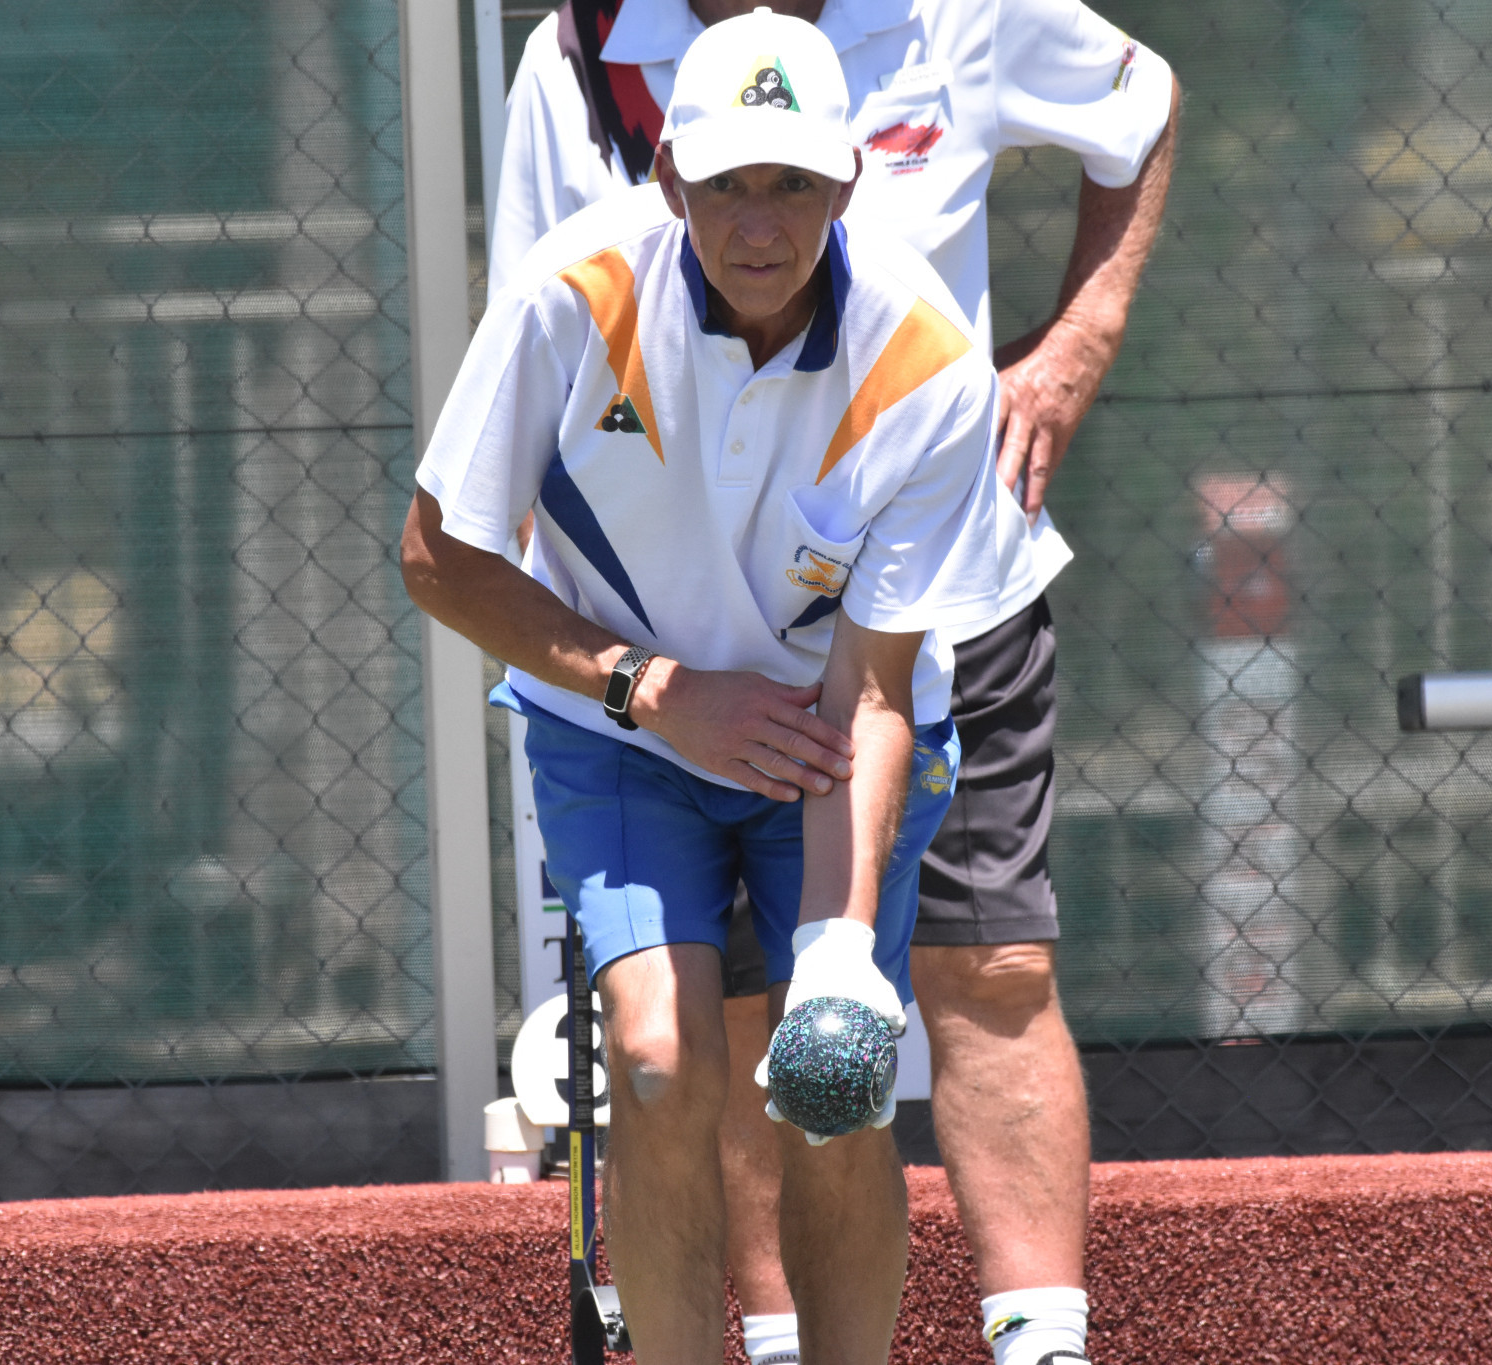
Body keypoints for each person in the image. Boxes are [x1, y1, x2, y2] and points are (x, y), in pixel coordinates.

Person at [490, 4, 1177, 1364]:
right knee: (727, 1019)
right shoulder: (576, 50)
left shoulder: (968, 13)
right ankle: (775, 1338)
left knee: (992, 961)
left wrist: (1073, 345)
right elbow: (539, 340)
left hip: (930, 581)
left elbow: (1142, 106)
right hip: (686, 645)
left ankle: (1042, 1343)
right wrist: (608, 669)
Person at [404, 12, 1006, 1362]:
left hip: (823, 738)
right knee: (665, 1060)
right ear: (668, 179)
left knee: (835, 1087)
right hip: (617, 729)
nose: (757, 220)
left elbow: (876, 690)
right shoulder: (568, 295)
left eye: (791, 181)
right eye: (726, 182)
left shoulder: (928, 356)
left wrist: (842, 962)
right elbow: (438, 554)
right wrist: (651, 690)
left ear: (847, 181)